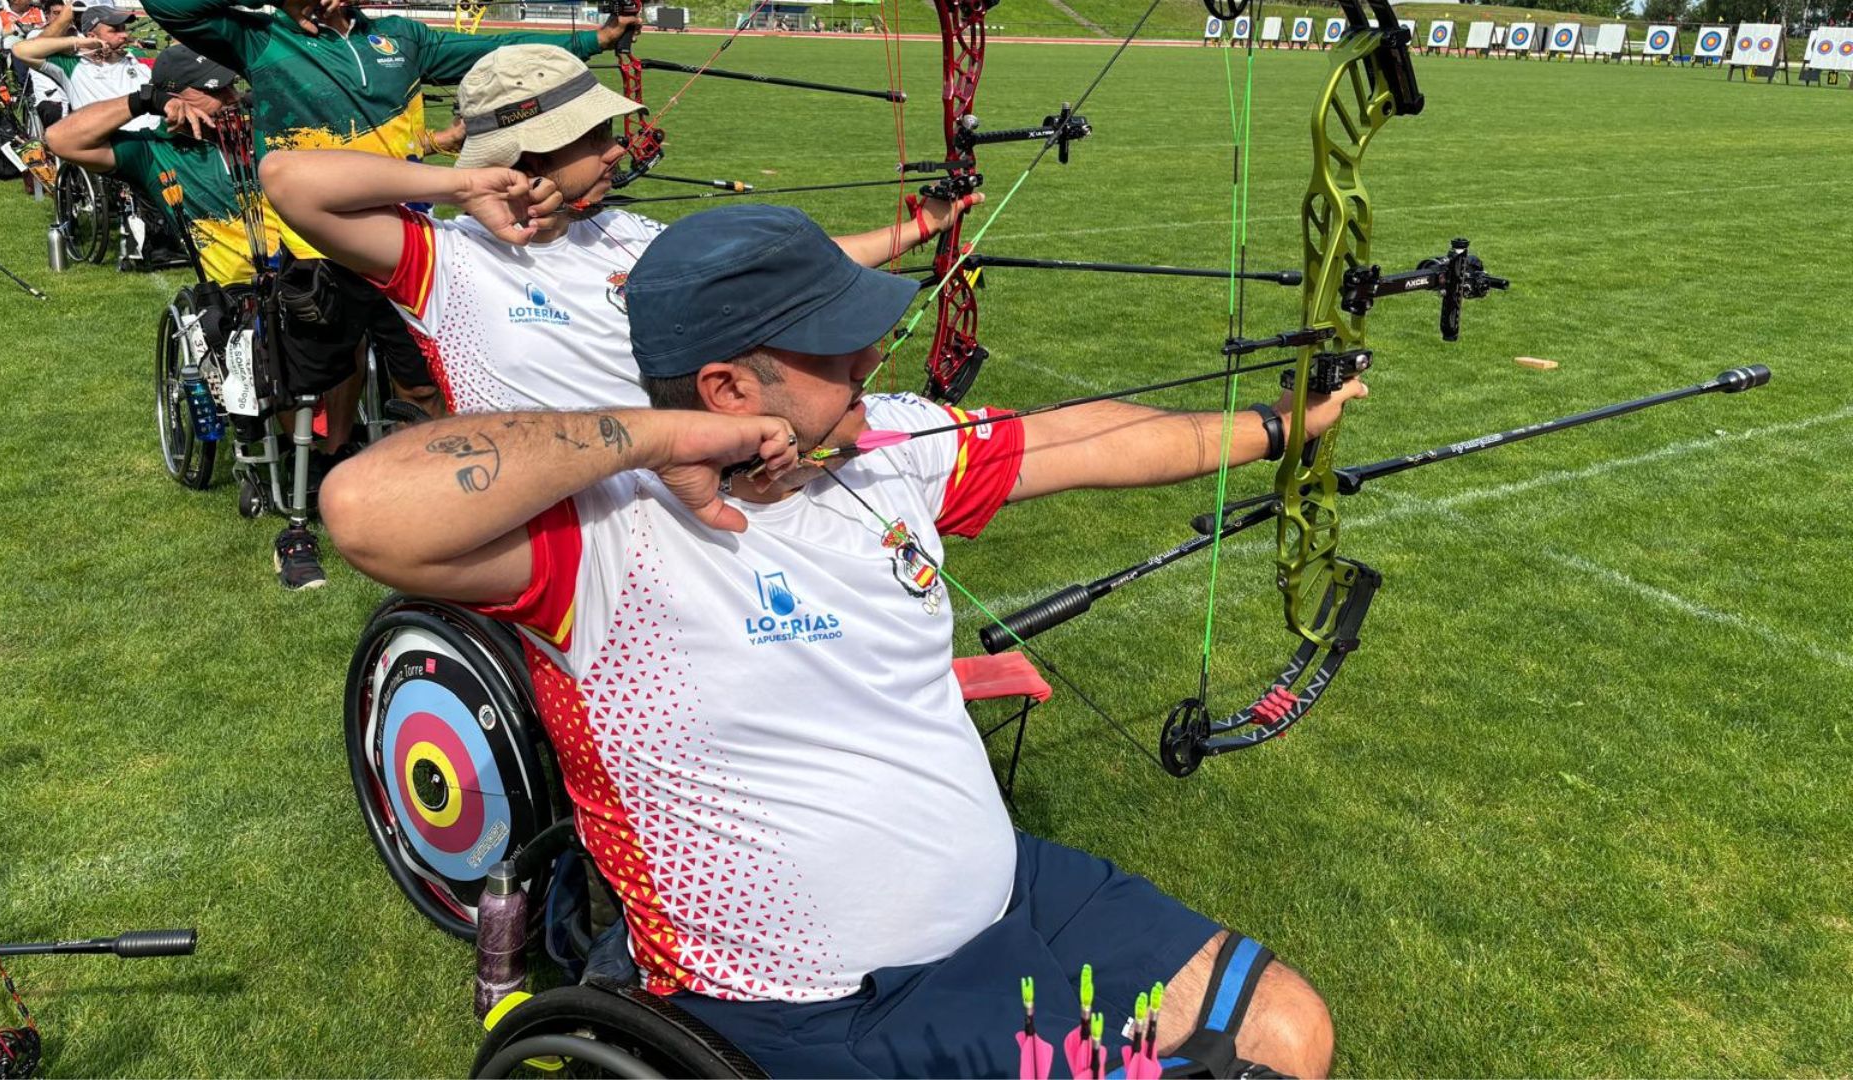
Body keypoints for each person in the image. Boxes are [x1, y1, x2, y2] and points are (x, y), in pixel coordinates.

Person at [319, 204, 1360, 1077]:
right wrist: (664, 438)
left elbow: (1071, 438)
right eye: (831, 345)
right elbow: (366, 508)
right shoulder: (601, 534)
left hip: (1012, 898)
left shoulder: (888, 448)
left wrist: (1279, 428)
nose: (871, 352)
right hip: (817, 1007)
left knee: (1288, 1030)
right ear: (727, 390)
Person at [143, 0, 641, 586]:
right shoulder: (259, 37)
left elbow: (495, 50)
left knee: (423, 378)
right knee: (320, 382)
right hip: (321, 245)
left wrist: (598, 40)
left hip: (409, 234)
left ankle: (425, 492)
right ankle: (305, 504)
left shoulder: (400, 37)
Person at [259, 44, 983, 415]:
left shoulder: (626, 234)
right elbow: (289, 181)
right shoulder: (442, 257)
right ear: (524, 153)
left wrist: (926, 223)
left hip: (675, 485)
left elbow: (796, 265)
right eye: (592, 136)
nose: (616, 150)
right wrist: (465, 182)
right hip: (552, 520)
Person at [44, 45, 267, 285]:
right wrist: (144, 100)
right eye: (216, 90)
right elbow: (59, 139)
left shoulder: (258, 128)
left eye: (232, 86)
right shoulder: (152, 151)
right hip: (241, 292)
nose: (233, 97)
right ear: (175, 99)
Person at [12, 5, 155, 127]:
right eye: (115, 30)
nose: (124, 35)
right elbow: (21, 50)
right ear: (92, 36)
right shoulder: (73, 64)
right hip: (113, 145)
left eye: (124, 28)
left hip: (156, 138)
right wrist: (78, 40)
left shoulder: (136, 58)